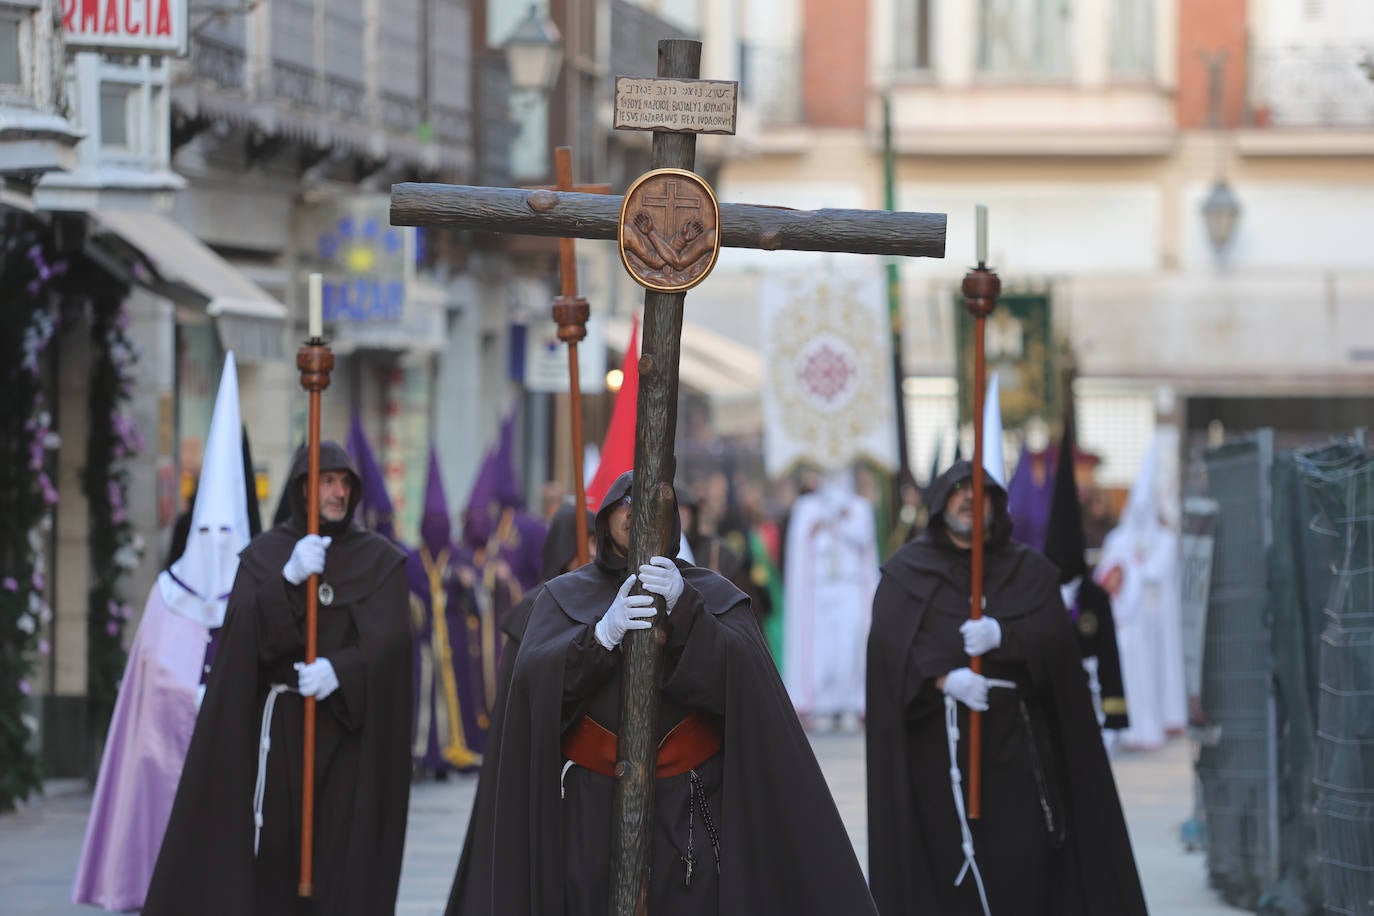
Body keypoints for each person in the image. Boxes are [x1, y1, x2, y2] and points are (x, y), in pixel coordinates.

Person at [446, 470, 877, 915]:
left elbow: (745, 683)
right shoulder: (561, 598)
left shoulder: (710, 593)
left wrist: (686, 610)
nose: (637, 514)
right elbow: (534, 687)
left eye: (651, 503)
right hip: (593, 809)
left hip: (688, 811)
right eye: (625, 504)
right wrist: (600, 638)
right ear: (606, 516)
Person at [142, 441, 412, 916]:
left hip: (345, 742)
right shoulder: (267, 556)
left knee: (338, 857)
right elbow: (242, 642)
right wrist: (286, 579)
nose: (338, 492)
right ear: (302, 487)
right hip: (281, 736)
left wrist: (341, 670)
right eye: (328, 481)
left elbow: (391, 646)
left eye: (344, 483)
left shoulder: (379, 560)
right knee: (276, 859)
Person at [867, 460, 1147, 916]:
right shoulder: (905, 573)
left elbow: (1059, 650)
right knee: (949, 874)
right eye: (958, 491)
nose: (969, 500)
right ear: (940, 504)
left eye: (979, 492)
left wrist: (1006, 636)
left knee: (1024, 867)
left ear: (996, 503)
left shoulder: (1029, 572)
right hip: (938, 759)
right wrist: (943, 679)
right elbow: (889, 656)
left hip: (1019, 755)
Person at [72, 354, 256, 911]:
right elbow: (144, 689)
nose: (218, 539)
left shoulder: (256, 594)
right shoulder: (167, 595)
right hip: (163, 756)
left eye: (229, 529)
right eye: (208, 529)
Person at [445, 498, 595, 913]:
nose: (592, 557)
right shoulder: (535, 608)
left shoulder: (608, 606)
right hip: (537, 757)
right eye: (583, 546)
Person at [782, 468, 878, 732]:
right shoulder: (807, 507)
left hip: (850, 587)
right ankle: (822, 705)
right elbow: (802, 542)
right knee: (821, 649)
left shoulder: (859, 506)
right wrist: (827, 518)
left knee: (850, 645)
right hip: (819, 590)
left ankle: (849, 703)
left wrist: (838, 517)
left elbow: (863, 537)